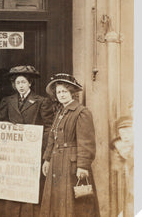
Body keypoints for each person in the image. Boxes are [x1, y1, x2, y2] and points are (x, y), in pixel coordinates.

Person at [0, 65, 54, 217]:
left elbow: (48, 127)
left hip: (31, 153)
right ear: (14, 84)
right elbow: (1, 122)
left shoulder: (41, 101)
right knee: (13, 187)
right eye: (18, 83)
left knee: (29, 189)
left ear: (30, 83)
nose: (20, 86)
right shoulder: (7, 101)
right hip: (13, 155)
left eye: (24, 82)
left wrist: (40, 146)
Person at [40, 73, 100, 217]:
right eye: (58, 92)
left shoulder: (81, 112)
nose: (61, 95)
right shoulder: (60, 112)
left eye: (64, 91)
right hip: (56, 163)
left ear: (72, 93)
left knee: (72, 205)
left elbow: (86, 142)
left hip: (71, 165)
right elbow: (52, 139)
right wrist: (47, 159)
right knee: (56, 202)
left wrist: (83, 166)